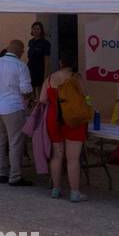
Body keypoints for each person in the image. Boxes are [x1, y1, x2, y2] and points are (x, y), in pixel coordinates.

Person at [0, 39, 34, 186]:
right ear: (19, 51)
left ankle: (1, 172)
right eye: (23, 50)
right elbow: (26, 89)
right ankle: (15, 176)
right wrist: (27, 97)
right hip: (13, 107)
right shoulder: (21, 66)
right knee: (15, 142)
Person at [42, 54, 89, 202]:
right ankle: (74, 192)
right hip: (73, 118)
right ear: (74, 63)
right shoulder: (76, 77)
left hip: (53, 117)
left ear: (61, 62)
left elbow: (42, 99)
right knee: (72, 158)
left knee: (57, 155)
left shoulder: (50, 78)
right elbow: (85, 96)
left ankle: (56, 189)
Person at [27, 21, 52, 91]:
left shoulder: (45, 43)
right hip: (31, 68)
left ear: (41, 30)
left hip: (40, 69)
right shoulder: (30, 42)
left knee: (40, 88)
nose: (36, 31)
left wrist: (46, 74)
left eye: (38, 29)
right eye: (34, 29)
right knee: (31, 88)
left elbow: (47, 59)